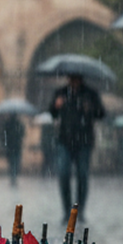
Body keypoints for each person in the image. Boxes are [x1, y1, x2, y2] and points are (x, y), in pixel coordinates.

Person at [49, 74, 105, 216]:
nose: (73, 80)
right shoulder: (61, 92)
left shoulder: (90, 94)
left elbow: (101, 113)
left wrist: (90, 108)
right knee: (63, 173)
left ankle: (79, 210)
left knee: (82, 175)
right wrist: (56, 105)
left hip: (84, 141)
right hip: (64, 140)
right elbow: (52, 113)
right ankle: (67, 210)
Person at [1, 113, 25, 187]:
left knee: (12, 163)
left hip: (11, 147)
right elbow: (22, 134)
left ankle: (13, 177)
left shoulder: (8, 124)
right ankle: (14, 176)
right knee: (15, 162)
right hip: (16, 146)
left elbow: (3, 135)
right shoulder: (19, 124)